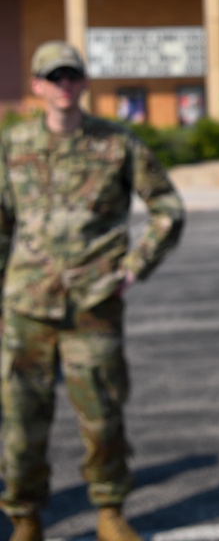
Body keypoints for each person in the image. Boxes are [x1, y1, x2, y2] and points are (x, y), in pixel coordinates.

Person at [0, 41, 185, 541]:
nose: (63, 85)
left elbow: (168, 208)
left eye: (71, 76)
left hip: (92, 305)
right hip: (26, 308)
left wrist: (132, 269)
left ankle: (109, 509)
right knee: (20, 424)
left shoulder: (118, 144)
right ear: (37, 85)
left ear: (82, 83)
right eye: (52, 76)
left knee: (102, 419)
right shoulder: (12, 147)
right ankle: (24, 516)